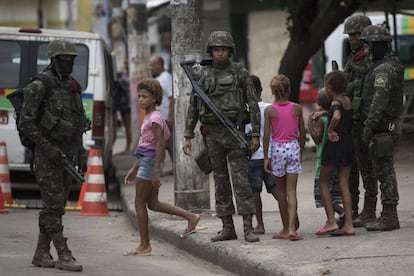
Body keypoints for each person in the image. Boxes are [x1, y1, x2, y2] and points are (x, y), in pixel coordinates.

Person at [182, 31, 261, 243]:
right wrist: (187, 134)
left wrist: (255, 134)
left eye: (223, 49)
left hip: (234, 132)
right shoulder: (201, 76)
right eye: (216, 49)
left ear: (230, 51)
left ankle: (248, 228)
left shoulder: (240, 73)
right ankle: (227, 227)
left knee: (241, 182)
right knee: (220, 182)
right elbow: (193, 107)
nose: (219, 53)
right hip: (212, 134)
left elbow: (253, 104)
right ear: (211, 51)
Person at [19, 40, 86, 271]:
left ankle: (40, 253)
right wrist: (47, 148)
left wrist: (82, 152)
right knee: (52, 204)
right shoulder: (39, 85)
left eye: (73, 58)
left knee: (57, 206)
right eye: (66, 58)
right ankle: (63, 254)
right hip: (47, 154)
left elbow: (79, 123)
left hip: (67, 154)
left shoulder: (72, 85)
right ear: (54, 59)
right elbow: (26, 123)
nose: (70, 62)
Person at [124, 78, 200, 256]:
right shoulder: (150, 117)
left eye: (144, 96)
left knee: (140, 203)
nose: (140, 99)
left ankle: (144, 245)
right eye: (139, 96)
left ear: (154, 97)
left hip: (150, 164)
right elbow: (146, 146)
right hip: (145, 161)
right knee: (153, 203)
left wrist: (156, 172)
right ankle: (191, 217)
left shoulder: (155, 118)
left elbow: (159, 146)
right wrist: (134, 168)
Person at [359, 25, 403, 231]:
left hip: (383, 127)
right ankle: (386, 214)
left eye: (368, 46)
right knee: (382, 169)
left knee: (384, 171)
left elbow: (379, 101)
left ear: (376, 46)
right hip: (383, 126)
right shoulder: (385, 65)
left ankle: (390, 216)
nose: (366, 51)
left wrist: (368, 127)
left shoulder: (384, 70)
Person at [263, 74, 306, 241]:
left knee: (280, 192)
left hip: (277, 151)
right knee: (292, 192)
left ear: (273, 91)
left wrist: (266, 156)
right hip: (293, 148)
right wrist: (300, 151)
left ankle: (284, 228)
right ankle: (292, 229)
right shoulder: (297, 108)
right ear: (289, 90)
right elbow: (302, 133)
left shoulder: (270, 110)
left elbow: (267, 136)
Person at [342, 14, 376, 225]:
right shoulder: (352, 57)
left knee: (367, 168)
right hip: (350, 120)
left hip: (364, 120)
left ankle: (370, 210)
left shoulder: (371, 59)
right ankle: (352, 209)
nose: (351, 39)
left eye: (354, 35)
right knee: (351, 168)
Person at [316, 71, 355, 236]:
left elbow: (337, 116)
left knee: (323, 182)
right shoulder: (347, 101)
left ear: (331, 87)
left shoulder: (334, 103)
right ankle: (349, 225)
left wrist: (331, 129)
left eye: (326, 85)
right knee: (344, 185)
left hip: (334, 146)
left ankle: (331, 221)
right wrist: (326, 113)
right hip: (348, 145)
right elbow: (342, 114)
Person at [308, 88, 344, 231]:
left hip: (323, 159)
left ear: (318, 102)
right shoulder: (333, 116)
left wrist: (309, 124)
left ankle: (341, 214)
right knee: (332, 191)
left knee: (322, 192)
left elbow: (317, 139)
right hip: (336, 159)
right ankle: (340, 215)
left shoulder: (321, 120)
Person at [245, 74, 277, 235]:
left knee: (254, 192)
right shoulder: (271, 108)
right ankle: (291, 218)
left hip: (252, 157)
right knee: (277, 190)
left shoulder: (244, 111)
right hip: (271, 155)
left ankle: (260, 224)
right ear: (261, 90)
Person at [149, 55, 174, 176]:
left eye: (153, 65)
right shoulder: (159, 78)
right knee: (164, 144)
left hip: (165, 117)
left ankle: (160, 169)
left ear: (160, 65)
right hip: (159, 118)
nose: (151, 68)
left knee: (164, 144)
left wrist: (170, 116)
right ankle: (163, 168)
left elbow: (171, 97)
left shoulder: (166, 78)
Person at [112, 69, 132, 155]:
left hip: (125, 106)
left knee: (128, 126)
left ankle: (128, 147)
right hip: (123, 105)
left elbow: (128, 90)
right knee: (127, 126)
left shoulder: (123, 80)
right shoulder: (123, 79)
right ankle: (128, 146)